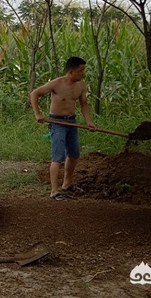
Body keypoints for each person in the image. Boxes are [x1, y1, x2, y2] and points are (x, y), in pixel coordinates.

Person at [30, 56, 96, 201]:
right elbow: (34, 93)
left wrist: (89, 122)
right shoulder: (57, 84)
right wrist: (38, 114)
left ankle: (67, 184)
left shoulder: (81, 85)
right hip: (57, 122)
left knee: (74, 154)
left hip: (72, 123)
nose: (83, 73)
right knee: (57, 157)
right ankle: (54, 191)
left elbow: (84, 104)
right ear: (71, 72)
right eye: (81, 71)